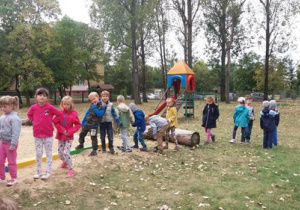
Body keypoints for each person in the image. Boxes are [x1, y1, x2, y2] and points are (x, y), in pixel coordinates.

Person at [27, 88, 62, 180]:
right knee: (38, 153)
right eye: (40, 95)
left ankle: (47, 172)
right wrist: (33, 121)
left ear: (47, 97)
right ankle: (38, 172)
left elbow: (59, 114)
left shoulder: (50, 107)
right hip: (37, 135)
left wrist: (52, 121)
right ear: (36, 97)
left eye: (44, 95)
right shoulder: (33, 107)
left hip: (48, 135)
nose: (42, 97)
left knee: (48, 154)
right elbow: (29, 115)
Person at [54, 96, 81, 177]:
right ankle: (65, 162)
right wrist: (62, 130)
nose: (66, 106)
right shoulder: (59, 113)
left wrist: (69, 132)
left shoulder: (74, 113)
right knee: (60, 153)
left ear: (71, 104)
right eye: (64, 104)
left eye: (68, 104)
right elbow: (55, 122)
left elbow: (78, 125)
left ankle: (71, 169)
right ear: (62, 104)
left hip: (69, 137)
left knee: (66, 153)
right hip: (61, 135)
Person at [75, 92, 106, 156]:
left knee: (93, 137)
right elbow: (87, 113)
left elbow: (99, 114)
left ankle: (94, 150)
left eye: (94, 98)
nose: (93, 101)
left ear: (98, 97)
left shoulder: (102, 106)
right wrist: (83, 122)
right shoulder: (92, 104)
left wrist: (94, 107)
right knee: (82, 134)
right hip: (87, 123)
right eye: (91, 100)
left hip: (94, 125)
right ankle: (81, 144)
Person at [0, 96, 21, 186]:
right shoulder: (2, 116)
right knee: (0, 160)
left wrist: (13, 144)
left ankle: (14, 178)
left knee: (11, 161)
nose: (2, 108)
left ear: (12, 105)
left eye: (5, 106)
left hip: (10, 143)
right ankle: (1, 177)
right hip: (2, 142)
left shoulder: (15, 118)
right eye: (1, 106)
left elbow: (16, 132)